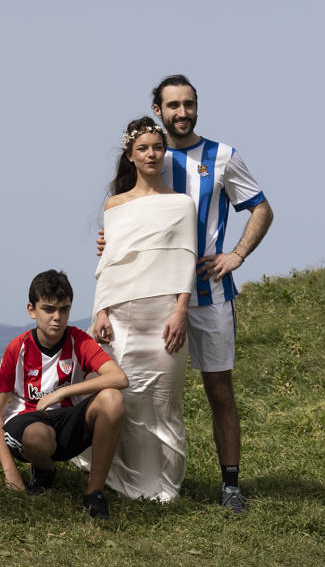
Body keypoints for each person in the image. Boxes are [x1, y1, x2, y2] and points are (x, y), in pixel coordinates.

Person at [100, 75, 273, 513]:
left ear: (197, 106)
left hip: (209, 293)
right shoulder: (150, 152)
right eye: (173, 105)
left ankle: (230, 486)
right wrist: (109, 242)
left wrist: (236, 254)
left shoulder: (223, 157)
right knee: (140, 392)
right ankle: (134, 477)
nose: (182, 112)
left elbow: (262, 208)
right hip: (153, 300)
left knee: (219, 390)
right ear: (157, 110)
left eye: (189, 104)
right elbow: (125, 218)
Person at [76, 117, 196, 502]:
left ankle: (162, 488)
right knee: (121, 398)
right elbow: (109, 263)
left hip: (165, 317)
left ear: (165, 154)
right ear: (130, 155)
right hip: (121, 316)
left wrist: (181, 311)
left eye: (157, 148)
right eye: (143, 148)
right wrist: (100, 312)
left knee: (162, 403)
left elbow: (185, 258)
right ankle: (117, 482)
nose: (151, 154)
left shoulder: (180, 204)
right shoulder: (115, 205)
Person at [0, 269, 128, 520]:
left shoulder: (78, 341)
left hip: (65, 421)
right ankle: (44, 470)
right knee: (38, 436)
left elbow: (119, 378)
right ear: (32, 310)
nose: (57, 317)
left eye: (64, 309)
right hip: (28, 423)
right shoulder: (17, 348)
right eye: (49, 309)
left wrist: (62, 392)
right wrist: (11, 473)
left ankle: (94, 493)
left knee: (113, 398)